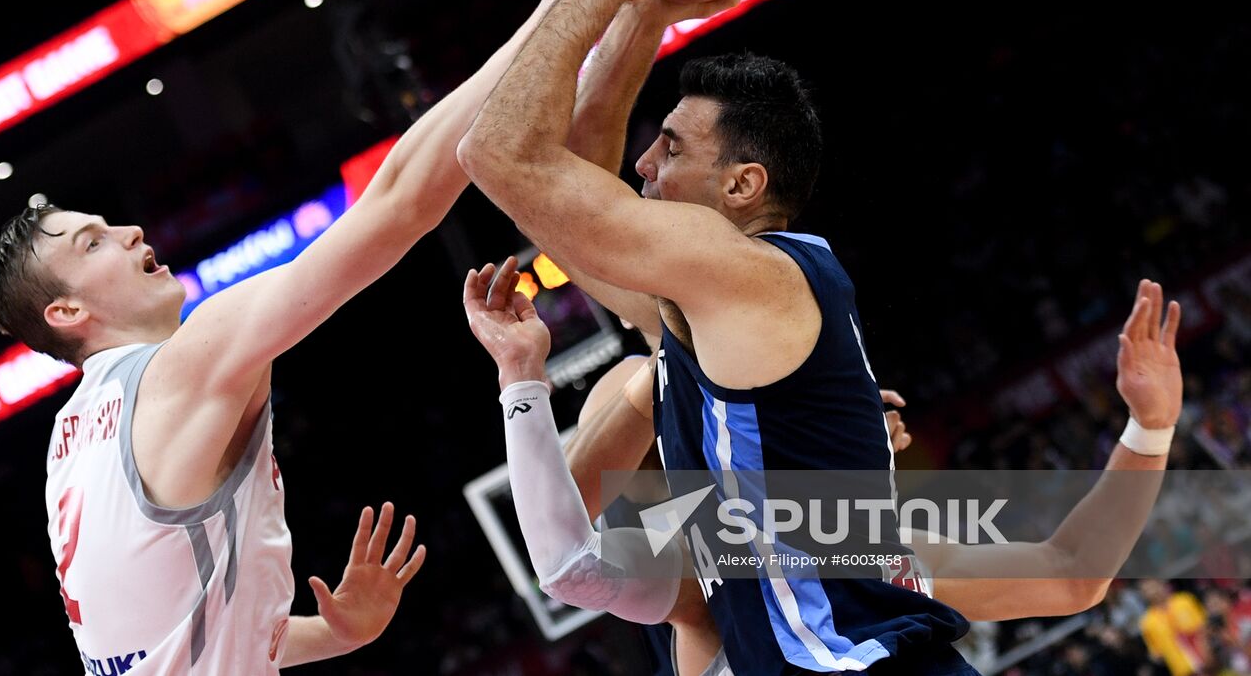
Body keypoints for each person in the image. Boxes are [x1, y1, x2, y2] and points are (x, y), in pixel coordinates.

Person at [0, 0, 612, 673]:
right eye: (94, 240)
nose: (133, 232)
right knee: (633, 402)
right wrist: (558, 11)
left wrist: (340, 634)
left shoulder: (67, 450)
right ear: (67, 310)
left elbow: (173, 643)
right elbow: (401, 198)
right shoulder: (187, 363)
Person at [457, 0, 975, 673]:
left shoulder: (748, 274)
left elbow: (500, 155)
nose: (642, 169)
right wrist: (647, 12)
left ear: (742, 185)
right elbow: (564, 185)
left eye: (670, 149)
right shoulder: (702, 309)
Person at [465, 260, 1185, 675]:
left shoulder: (874, 555)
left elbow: (1073, 571)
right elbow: (568, 558)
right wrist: (534, 377)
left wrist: (1150, 427)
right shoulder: (710, 570)